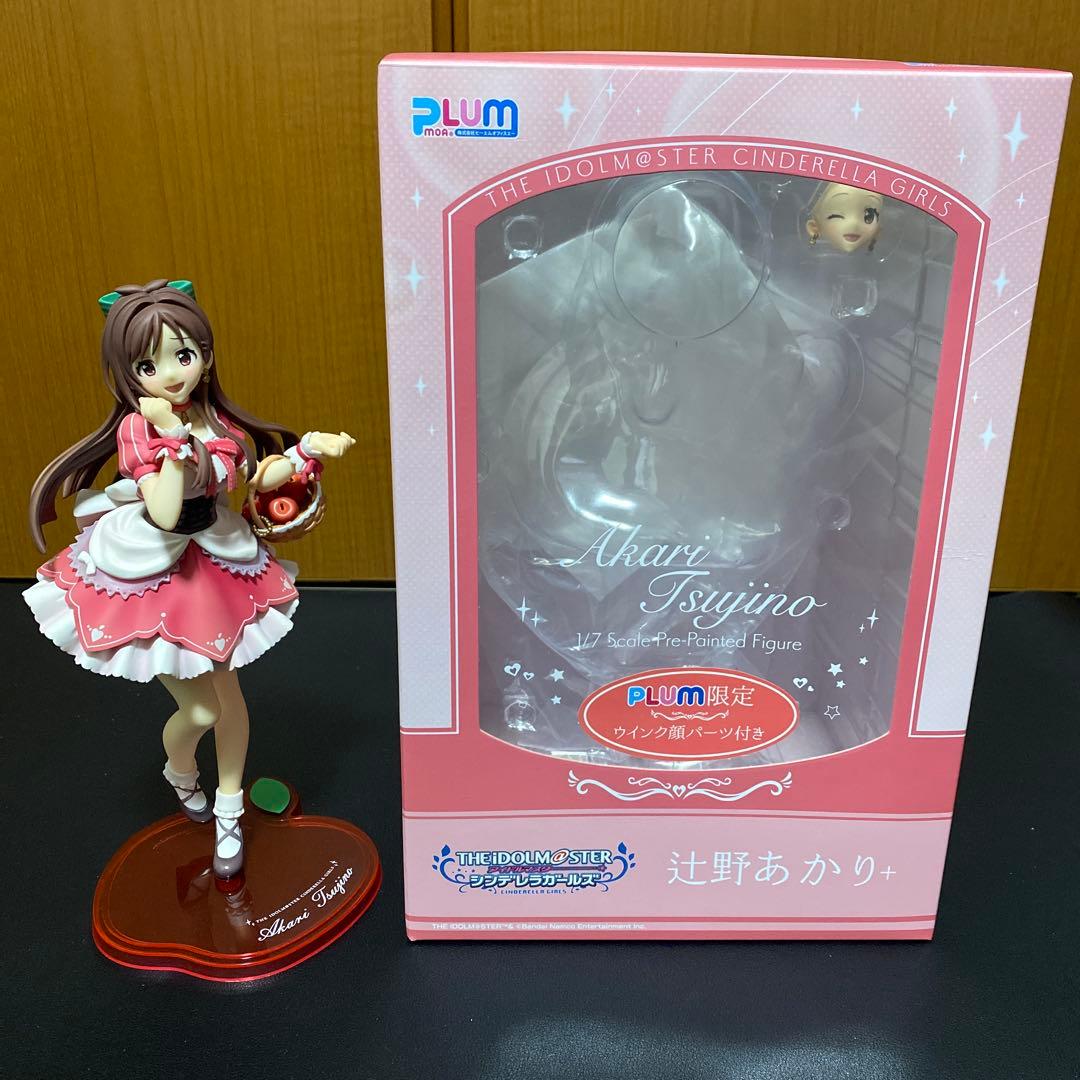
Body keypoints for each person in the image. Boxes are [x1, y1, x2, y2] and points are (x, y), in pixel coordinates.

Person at [25, 279, 355, 877]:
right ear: (129, 373)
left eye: (183, 354)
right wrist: (174, 443)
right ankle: (179, 770)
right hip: (156, 563)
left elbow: (251, 474)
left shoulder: (212, 417)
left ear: (204, 353)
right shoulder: (138, 430)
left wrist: (305, 453)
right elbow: (165, 510)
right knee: (201, 712)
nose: (172, 374)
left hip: (215, 554)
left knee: (231, 698)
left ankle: (229, 808)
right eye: (148, 365)